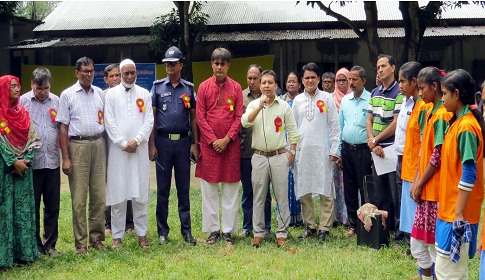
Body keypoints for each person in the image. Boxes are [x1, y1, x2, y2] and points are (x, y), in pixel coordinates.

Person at [241, 70, 299, 247]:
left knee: (282, 196)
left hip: (279, 156)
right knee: (258, 196)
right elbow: (245, 122)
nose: (266, 86)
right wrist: (260, 105)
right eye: (264, 82)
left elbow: (294, 132)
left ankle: (281, 232)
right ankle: (259, 233)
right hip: (258, 156)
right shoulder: (253, 105)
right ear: (260, 85)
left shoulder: (283, 106)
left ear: (276, 85)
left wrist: (291, 153)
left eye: (270, 83)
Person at [56, 57, 106, 254]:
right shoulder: (67, 95)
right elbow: (63, 127)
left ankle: (97, 239)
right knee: (79, 198)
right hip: (77, 146)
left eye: (91, 71)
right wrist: (66, 158)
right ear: (77, 73)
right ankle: (81, 243)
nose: (88, 74)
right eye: (84, 71)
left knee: (99, 196)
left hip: (98, 143)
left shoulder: (100, 93)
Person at [149, 46, 198, 245]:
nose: (169, 67)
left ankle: (186, 231)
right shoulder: (158, 87)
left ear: (181, 65)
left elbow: (193, 118)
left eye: (173, 63)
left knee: (183, 189)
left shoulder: (188, 88)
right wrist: (151, 144)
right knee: (163, 190)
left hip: (183, 144)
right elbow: (151, 118)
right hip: (163, 143)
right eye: (167, 64)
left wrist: (195, 143)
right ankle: (162, 231)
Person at [437, 69, 484, 279]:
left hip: (457, 213)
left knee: (449, 272)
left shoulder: (466, 127)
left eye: (444, 93)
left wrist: (458, 214)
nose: (442, 99)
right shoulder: (456, 123)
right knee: (450, 269)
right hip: (449, 209)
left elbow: (469, 174)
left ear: (456, 94)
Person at [104, 59, 153, 249]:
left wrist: (138, 140)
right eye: (126, 73)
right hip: (119, 152)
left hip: (139, 151)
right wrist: (123, 143)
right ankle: (117, 236)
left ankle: (142, 235)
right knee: (118, 192)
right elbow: (109, 121)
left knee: (140, 192)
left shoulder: (144, 94)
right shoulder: (111, 95)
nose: (130, 76)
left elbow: (149, 120)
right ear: (121, 74)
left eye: (133, 73)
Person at [195, 48, 243, 245]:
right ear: (211, 64)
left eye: (223, 64)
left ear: (228, 65)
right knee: (209, 190)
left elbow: (239, 116)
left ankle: (228, 232)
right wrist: (214, 140)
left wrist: (227, 139)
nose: (219, 67)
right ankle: (213, 230)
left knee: (231, 189)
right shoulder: (204, 87)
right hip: (209, 147)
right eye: (216, 63)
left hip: (230, 147)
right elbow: (200, 117)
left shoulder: (237, 88)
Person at [409, 67, 452, 279]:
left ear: (435, 87)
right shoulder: (429, 112)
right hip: (426, 188)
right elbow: (423, 154)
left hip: (435, 191)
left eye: (422, 88)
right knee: (419, 244)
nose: (419, 93)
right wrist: (417, 180)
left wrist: (418, 183)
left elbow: (437, 157)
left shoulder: (442, 115)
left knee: (433, 246)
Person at [293, 63, 340, 243]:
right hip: (303, 151)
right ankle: (310, 225)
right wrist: (293, 150)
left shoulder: (327, 98)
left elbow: (335, 126)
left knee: (325, 188)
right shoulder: (297, 101)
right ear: (302, 80)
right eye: (307, 78)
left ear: (319, 79)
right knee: (304, 187)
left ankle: (325, 228)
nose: (310, 80)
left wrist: (334, 150)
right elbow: (293, 128)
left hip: (322, 150)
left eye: (313, 77)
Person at [19, 68, 61, 256]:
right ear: (32, 85)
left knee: (52, 205)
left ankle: (50, 244)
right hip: (32, 163)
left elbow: (60, 128)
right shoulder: (23, 102)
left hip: (52, 160)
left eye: (46, 88)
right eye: (39, 88)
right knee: (33, 206)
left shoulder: (57, 101)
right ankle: (35, 245)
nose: (43, 92)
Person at [0, 75, 40, 270]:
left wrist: (26, 160)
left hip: (23, 170)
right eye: (12, 86)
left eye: (18, 86)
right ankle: (5, 257)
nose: (17, 89)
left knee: (23, 210)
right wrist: (13, 161)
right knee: (5, 211)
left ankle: (24, 255)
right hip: (4, 171)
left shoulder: (23, 112)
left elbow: (33, 138)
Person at [366, 54, 404, 240]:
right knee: (379, 193)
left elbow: (396, 123)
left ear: (393, 67)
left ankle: (398, 232)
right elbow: (369, 119)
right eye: (378, 67)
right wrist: (372, 141)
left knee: (395, 194)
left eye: (383, 66)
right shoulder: (374, 92)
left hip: (391, 151)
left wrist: (376, 140)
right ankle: (382, 231)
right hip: (377, 151)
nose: (380, 70)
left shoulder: (399, 92)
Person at [396, 62, 428, 260]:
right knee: (411, 219)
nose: (400, 85)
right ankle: (417, 254)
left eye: (402, 81)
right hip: (407, 167)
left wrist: (418, 176)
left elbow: (424, 144)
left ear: (414, 82)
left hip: (417, 171)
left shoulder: (424, 107)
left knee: (418, 218)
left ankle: (422, 259)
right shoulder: (412, 104)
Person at [338, 65, 372, 237]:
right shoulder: (345, 100)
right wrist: (338, 152)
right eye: (349, 79)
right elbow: (340, 126)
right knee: (349, 188)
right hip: (347, 150)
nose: (351, 83)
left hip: (364, 151)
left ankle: (367, 223)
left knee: (365, 187)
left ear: (363, 81)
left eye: (354, 79)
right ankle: (352, 225)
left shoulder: (371, 99)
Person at [239, 64, 272, 238]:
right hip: (245, 153)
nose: (252, 81)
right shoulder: (241, 97)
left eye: (255, 78)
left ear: (261, 79)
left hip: (265, 153)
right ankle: (247, 227)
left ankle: (266, 227)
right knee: (248, 192)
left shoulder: (270, 97)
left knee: (265, 192)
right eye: (249, 78)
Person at [102, 64, 135, 236]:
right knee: (110, 181)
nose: (115, 79)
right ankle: (108, 222)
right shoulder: (103, 96)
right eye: (112, 76)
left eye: (117, 75)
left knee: (128, 179)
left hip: (127, 145)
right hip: (108, 144)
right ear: (105, 79)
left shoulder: (129, 93)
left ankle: (129, 222)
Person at [280, 71, 302, 227]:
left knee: (297, 180)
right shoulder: (280, 101)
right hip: (282, 144)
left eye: (294, 81)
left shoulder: (301, 101)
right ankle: (283, 216)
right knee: (283, 181)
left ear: (299, 84)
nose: (291, 84)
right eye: (288, 81)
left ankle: (298, 217)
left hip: (298, 144)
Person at [332, 68, 352, 227]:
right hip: (334, 147)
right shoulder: (330, 99)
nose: (341, 83)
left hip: (350, 146)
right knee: (335, 184)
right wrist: (336, 151)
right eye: (339, 80)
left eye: (344, 80)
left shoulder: (353, 98)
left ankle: (350, 216)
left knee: (350, 183)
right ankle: (337, 216)